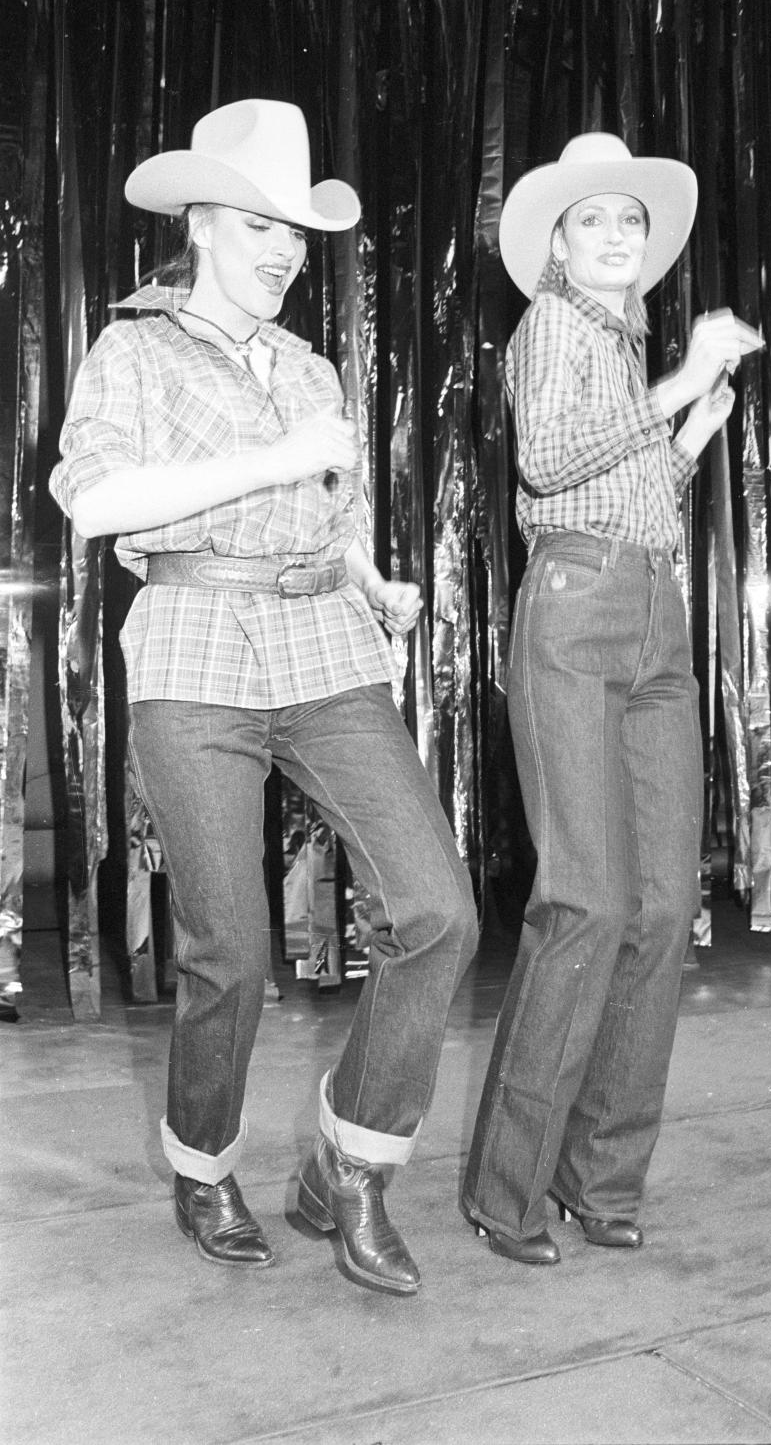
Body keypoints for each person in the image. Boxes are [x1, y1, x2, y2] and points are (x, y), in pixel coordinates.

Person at [50, 99, 478, 1296]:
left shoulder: (306, 364)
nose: (286, 248)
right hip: (193, 645)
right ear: (199, 224)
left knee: (438, 909)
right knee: (231, 951)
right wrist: (279, 461)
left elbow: (326, 513)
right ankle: (203, 1163)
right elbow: (93, 504)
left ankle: (351, 1161)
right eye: (258, 224)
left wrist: (377, 578)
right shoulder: (128, 349)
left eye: (297, 230)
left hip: (323, 644)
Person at [461, 132, 762, 1264]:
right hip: (577, 612)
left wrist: (685, 434)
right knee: (586, 897)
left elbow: (625, 484)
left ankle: (603, 1176)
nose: (617, 232)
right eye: (593, 219)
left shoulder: (621, 353)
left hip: (654, 615)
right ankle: (508, 1189)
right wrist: (680, 383)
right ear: (555, 245)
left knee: (655, 908)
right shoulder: (550, 328)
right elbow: (548, 460)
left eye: (630, 219)